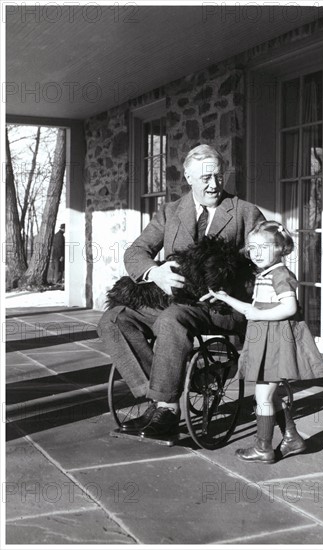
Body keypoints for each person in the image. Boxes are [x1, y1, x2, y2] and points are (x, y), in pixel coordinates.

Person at [97, 144, 265, 436]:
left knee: (171, 319)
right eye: (205, 178)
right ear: (188, 177)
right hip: (174, 300)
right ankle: (160, 397)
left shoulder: (245, 213)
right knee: (113, 319)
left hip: (219, 306)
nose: (214, 184)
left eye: (218, 176)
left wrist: (231, 284)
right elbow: (135, 252)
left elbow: (265, 265)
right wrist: (155, 272)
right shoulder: (171, 211)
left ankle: (168, 410)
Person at [201, 220, 323, 463]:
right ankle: (292, 438)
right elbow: (252, 309)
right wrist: (224, 297)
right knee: (271, 395)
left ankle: (263, 447)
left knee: (263, 397)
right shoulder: (266, 274)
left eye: (264, 247)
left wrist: (259, 314)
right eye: (252, 248)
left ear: (281, 248)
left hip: (275, 344)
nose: (256, 254)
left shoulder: (281, 275)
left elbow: (289, 308)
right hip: (265, 341)